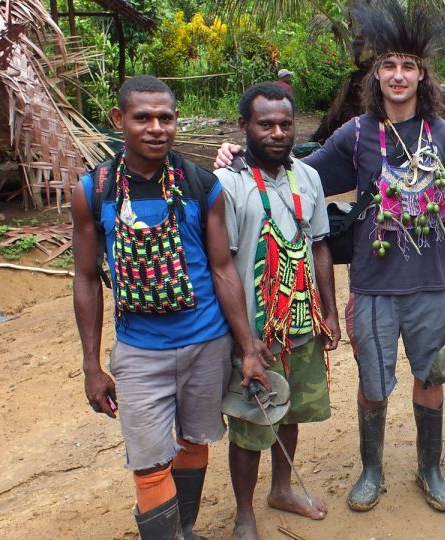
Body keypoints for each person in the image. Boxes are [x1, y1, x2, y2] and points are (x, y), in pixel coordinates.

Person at [216, 1, 445, 512]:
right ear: (375, 75)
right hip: (374, 287)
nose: (398, 75)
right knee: (373, 386)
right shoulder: (357, 134)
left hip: (434, 287)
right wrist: (238, 154)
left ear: (421, 75)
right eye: (388, 65)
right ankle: (372, 470)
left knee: (431, 381)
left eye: (408, 65)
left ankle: (430, 469)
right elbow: (297, 170)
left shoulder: (443, 138)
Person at [72, 75, 272, 539]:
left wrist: (247, 347)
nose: (156, 127)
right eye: (143, 117)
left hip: (206, 343)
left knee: (193, 441)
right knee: (148, 461)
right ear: (119, 120)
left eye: (166, 117)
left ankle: (182, 528)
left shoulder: (201, 185)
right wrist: (91, 365)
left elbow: (222, 269)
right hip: (140, 352)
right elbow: (85, 278)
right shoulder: (94, 190)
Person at [214, 82, 340, 538]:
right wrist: (243, 339)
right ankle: (244, 513)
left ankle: (282, 489)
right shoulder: (227, 184)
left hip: (302, 323)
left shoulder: (306, 176)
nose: (277, 133)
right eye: (265, 124)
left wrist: (330, 310)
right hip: (254, 331)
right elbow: (221, 264)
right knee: (252, 420)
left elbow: (320, 244)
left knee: (291, 410)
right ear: (244, 126)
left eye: (286, 124)